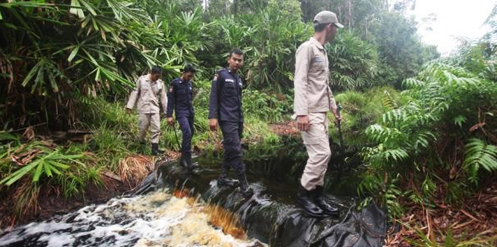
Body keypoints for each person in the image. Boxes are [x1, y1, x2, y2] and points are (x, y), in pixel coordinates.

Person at [293, 11, 344, 217]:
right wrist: (301, 113)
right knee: (321, 154)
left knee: (323, 156)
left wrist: (333, 107)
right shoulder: (307, 48)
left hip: (321, 112)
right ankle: (303, 195)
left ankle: (317, 195)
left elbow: (324, 84)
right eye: (335, 29)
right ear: (329, 27)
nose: (335, 33)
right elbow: (300, 81)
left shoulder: (323, 51)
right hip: (310, 112)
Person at [208, 49, 253, 198]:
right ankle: (244, 184)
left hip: (238, 119)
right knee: (236, 150)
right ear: (229, 59)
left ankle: (223, 178)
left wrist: (242, 119)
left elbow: (238, 100)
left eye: (240, 60)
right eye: (235, 59)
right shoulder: (221, 75)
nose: (237, 62)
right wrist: (213, 117)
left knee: (229, 148)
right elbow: (214, 96)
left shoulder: (239, 78)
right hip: (226, 118)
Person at [126, 66, 167, 156]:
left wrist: (167, 111)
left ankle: (154, 149)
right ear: (151, 73)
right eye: (156, 76)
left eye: (159, 76)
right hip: (143, 108)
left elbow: (163, 97)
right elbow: (135, 92)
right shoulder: (142, 80)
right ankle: (141, 146)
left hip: (155, 108)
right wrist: (130, 106)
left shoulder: (160, 83)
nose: (157, 78)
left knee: (156, 128)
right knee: (142, 128)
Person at [167, 64, 198, 173]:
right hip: (181, 112)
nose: (190, 78)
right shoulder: (175, 83)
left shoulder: (189, 84)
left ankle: (183, 159)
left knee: (190, 133)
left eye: (191, 77)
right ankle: (188, 162)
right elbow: (170, 100)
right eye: (189, 76)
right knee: (187, 133)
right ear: (184, 73)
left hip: (190, 112)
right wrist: (169, 115)